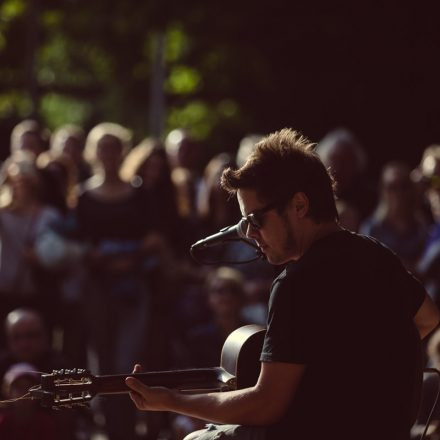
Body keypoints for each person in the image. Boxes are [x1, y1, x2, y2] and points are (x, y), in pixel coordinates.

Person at [125, 128, 440, 440]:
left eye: (255, 220)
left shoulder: (296, 284)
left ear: (299, 205)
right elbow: (428, 318)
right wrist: (368, 369)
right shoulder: (376, 254)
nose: (249, 234)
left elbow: (265, 405)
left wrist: (172, 401)